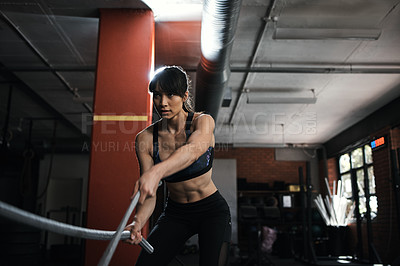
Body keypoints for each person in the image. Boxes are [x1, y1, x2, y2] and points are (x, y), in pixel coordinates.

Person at [124, 66, 232, 266]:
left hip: (211, 210)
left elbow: (192, 151)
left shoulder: (203, 122)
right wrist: (138, 221)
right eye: (157, 95)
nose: (162, 103)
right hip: (176, 213)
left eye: (170, 94)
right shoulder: (145, 139)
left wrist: (157, 172)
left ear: (185, 96)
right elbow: (149, 194)